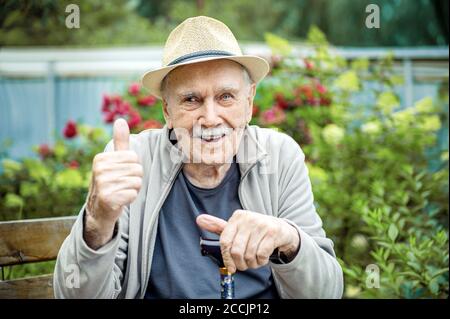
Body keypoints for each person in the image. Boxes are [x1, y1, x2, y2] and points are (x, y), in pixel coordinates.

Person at [54, 16, 343, 299]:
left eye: (226, 96)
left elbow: (326, 292)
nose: (210, 117)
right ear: (167, 110)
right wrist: (98, 221)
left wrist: (289, 239)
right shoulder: (132, 160)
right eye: (191, 99)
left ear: (249, 102)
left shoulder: (280, 155)